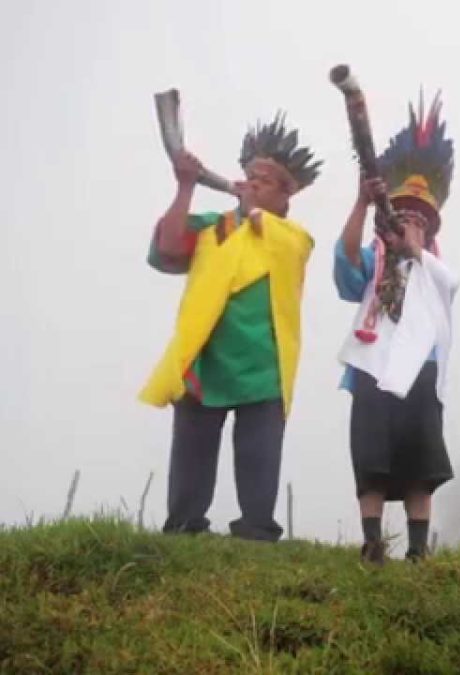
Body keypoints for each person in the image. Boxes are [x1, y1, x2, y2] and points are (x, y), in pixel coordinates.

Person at [139, 113, 321, 542]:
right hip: (206, 357)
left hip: (263, 363)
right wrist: (186, 185)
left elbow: (281, 242)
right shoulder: (212, 227)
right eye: (251, 175)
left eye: (267, 179)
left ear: (286, 194)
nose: (254, 183)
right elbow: (167, 246)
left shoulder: (292, 237)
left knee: (258, 456)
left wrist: (253, 212)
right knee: (192, 453)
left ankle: (256, 531)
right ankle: (184, 525)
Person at [334, 92, 458, 564]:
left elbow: (446, 290)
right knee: (372, 462)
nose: (409, 223)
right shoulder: (374, 264)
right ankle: (372, 544)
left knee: (420, 468)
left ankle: (419, 550)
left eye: (418, 219)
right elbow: (344, 265)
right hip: (372, 369)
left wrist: (414, 251)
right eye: (401, 214)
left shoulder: (437, 271)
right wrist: (361, 205)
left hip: (420, 374)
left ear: (430, 229)